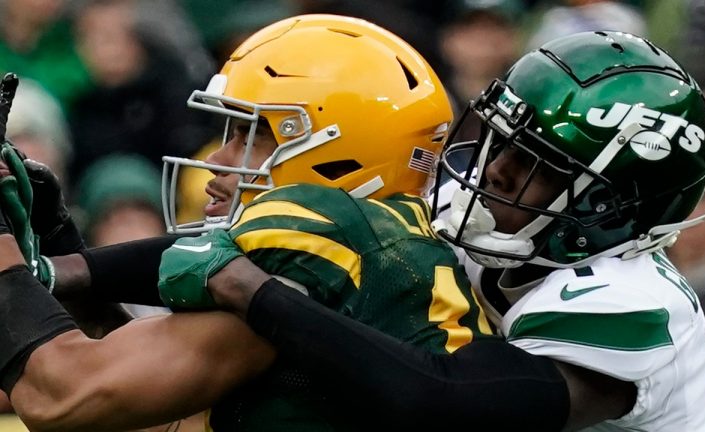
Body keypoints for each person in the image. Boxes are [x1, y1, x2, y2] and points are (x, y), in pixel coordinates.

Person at [157, 31, 705, 430]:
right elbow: (280, 246)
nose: (495, 166)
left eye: (536, 163)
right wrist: (71, 266)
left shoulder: (632, 304)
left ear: (607, 206)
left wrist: (249, 290)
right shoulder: (498, 220)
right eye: (501, 139)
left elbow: (446, 402)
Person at [0, 14, 507, 431]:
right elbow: (144, 415)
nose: (219, 160)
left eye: (254, 136)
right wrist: (55, 253)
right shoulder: (382, 244)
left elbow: (66, 395)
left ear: (342, 156)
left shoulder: (318, 244)